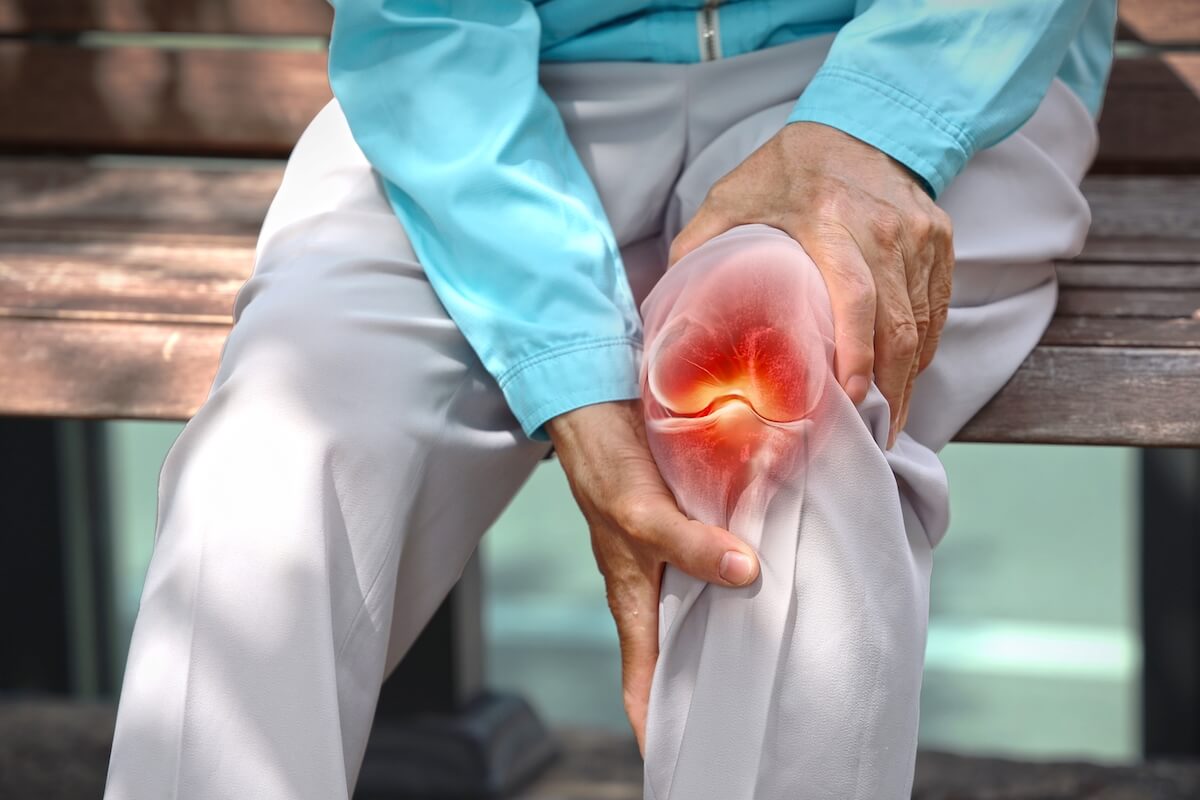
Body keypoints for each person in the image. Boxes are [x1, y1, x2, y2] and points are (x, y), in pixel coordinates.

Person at [102, 2, 1118, 798]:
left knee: (778, 411)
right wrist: (570, 369)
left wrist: (877, 125)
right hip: (488, 93)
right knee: (271, 457)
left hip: (893, 71)